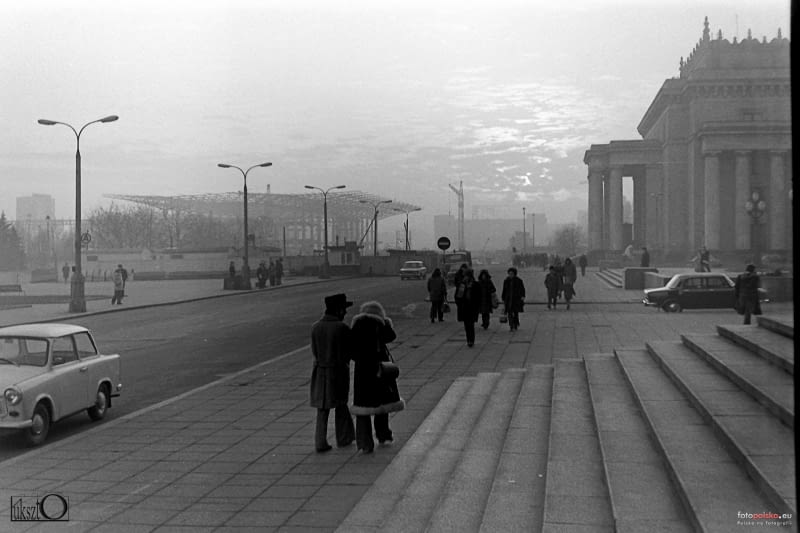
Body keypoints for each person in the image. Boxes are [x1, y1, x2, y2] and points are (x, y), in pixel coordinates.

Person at [350, 301, 405, 454]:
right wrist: (386, 322)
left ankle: (365, 443)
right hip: (379, 369)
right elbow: (391, 336)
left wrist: (360, 360)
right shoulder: (380, 325)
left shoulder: (356, 326)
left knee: (364, 406)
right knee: (382, 403)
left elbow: (351, 349)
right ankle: (383, 434)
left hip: (362, 372)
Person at [310, 293, 356, 452]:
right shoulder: (341, 328)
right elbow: (350, 351)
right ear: (338, 310)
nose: (345, 312)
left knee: (322, 409)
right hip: (337, 372)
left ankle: (320, 442)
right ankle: (344, 437)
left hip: (320, 373)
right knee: (341, 405)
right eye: (344, 309)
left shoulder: (315, 327)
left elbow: (314, 351)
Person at [454, 267, 481, 346]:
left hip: (472, 308)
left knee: (471, 325)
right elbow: (458, 296)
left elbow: (478, 296)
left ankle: (471, 340)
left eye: (465, 276)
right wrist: (459, 304)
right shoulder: (462, 285)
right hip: (464, 308)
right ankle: (468, 339)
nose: (465, 277)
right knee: (467, 325)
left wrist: (477, 306)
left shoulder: (475, 284)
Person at [501, 267, 525, 331]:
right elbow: (504, 290)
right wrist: (503, 297)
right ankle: (511, 326)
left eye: (512, 273)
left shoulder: (519, 281)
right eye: (509, 273)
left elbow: (522, 289)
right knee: (509, 313)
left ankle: (516, 324)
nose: (510, 275)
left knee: (515, 313)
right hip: (508, 300)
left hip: (516, 299)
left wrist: (522, 296)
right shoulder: (506, 281)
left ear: (514, 274)